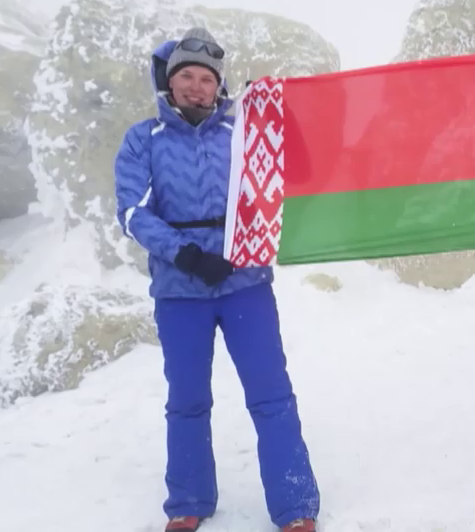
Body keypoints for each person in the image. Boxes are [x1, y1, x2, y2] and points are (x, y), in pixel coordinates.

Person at [114, 27, 321, 532]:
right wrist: (185, 255)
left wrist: (275, 123)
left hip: (246, 283)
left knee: (271, 394)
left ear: (218, 85)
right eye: (186, 75)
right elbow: (133, 212)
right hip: (180, 291)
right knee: (187, 400)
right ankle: (188, 502)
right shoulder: (144, 139)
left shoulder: (244, 134)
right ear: (169, 80)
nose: (196, 86)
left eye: (206, 78)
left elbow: (302, 175)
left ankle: (295, 507)